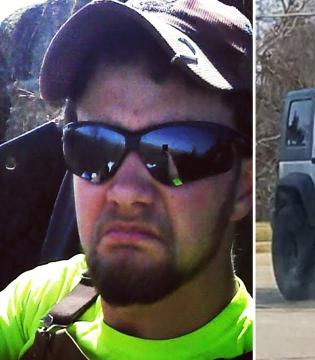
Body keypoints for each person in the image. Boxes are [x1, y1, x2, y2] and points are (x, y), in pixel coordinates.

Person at [0, 0, 253, 359]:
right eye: (93, 146)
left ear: (243, 187)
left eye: (176, 152)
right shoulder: (38, 299)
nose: (125, 192)